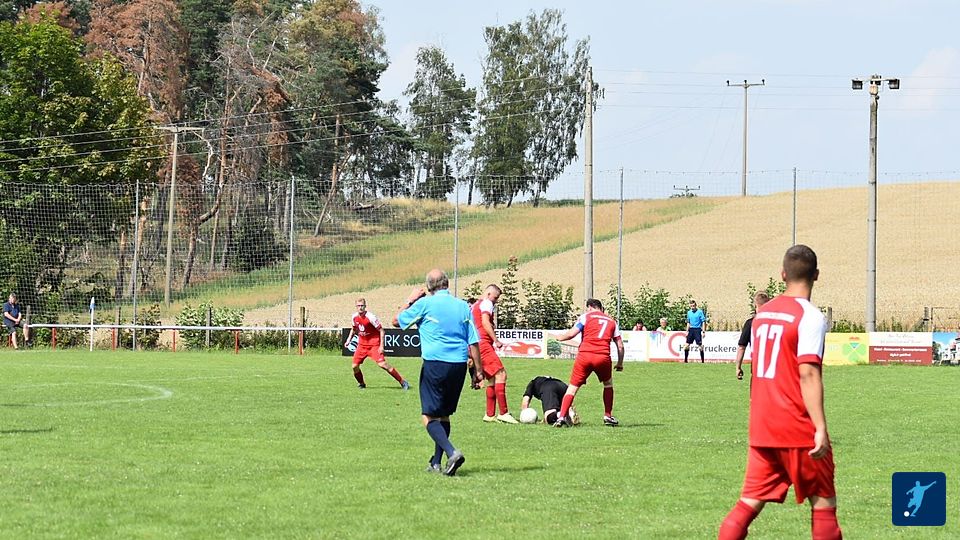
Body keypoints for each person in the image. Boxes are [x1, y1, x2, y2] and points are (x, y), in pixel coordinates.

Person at [717, 245, 842, 540]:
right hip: (797, 426)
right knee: (823, 505)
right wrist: (820, 427)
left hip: (763, 426)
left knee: (746, 505)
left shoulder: (762, 315)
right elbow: (807, 373)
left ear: (783, 274)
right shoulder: (810, 316)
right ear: (816, 275)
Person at [393, 269, 481, 477]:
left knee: (428, 416)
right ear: (447, 284)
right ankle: (436, 463)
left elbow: (397, 321)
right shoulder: (463, 306)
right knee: (444, 415)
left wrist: (411, 300)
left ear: (428, 287)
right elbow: (474, 341)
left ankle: (452, 452)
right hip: (458, 365)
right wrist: (478, 371)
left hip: (435, 364)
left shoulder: (425, 304)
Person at [551, 299, 625, 427]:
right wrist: (620, 363)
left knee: (572, 388)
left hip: (584, 356)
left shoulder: (585, 317)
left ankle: (561, 417)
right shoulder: (612, 321)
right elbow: (620, 346)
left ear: (590, 307)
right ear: (601, 308)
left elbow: (572, 334)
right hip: (602, 357)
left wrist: (559, 337)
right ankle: (607, 416)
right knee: (608, 385)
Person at [471, 284, 518, 424]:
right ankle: (504, 413)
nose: (495, 301)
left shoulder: (475, 305)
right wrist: (496, 340)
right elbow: (485, 322)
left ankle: (489, 414)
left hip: (476, 344)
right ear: (488, 294)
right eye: (495, 298)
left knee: (491, 379)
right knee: (501, 374)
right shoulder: (487, 303)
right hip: (483, 344)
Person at [344, 298, 409, 390]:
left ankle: (402, 381)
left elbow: (381, 331)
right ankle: (361, 384)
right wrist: (348, 340)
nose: (360, 307)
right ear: (356, 307)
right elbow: (354, 329)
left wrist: (381, 346)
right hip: (362, 345)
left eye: (362, 305)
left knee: (382, 364)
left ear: (365, 306)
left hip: (374, 345)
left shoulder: (371, 317)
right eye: (358, 306)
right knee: (354, 366)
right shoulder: (354, 317)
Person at [734, 292, 770, 380]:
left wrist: (738, 367)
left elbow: (741, 347)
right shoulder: (777, 322)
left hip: (758, 367)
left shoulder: (750, 323)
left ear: (755, 305)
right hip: (776, 368)